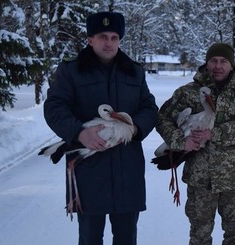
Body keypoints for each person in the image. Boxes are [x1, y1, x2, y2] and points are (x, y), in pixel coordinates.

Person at [43, 11, 158, 245]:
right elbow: (54, 107)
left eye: (114, 37)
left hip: (128, 170)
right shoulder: (71, 71)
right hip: (88, 171)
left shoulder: (134, 71)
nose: (109, 42)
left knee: (126, 238)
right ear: (90, 39)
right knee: (90, 238)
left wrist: (134, 129)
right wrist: (79, 132)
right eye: (103, 36)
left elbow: (149, 107)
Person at [155, 42, 235, 245]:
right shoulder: (188, 92)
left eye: (224, 61)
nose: (218, 66)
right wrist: (181, 141)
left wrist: (216, 133)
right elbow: (162, 119)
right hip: (199, 180)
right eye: (213, 60)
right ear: (206, 63)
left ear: (232, 65)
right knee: (199, 236)